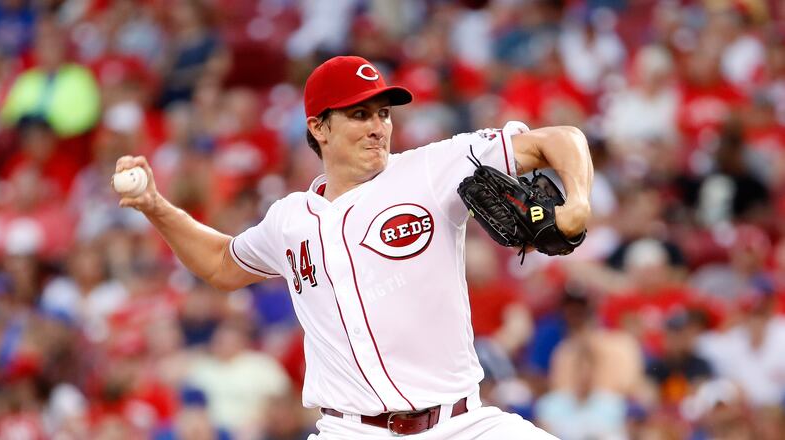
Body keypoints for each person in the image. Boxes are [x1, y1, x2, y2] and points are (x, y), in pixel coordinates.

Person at [114, 55, 593, 439]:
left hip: (461, 424)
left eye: (383, 113)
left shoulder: (430, 169)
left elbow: (561, 139)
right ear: (319, 128)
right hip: (349, 430)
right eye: (359, 114)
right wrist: (156, 206)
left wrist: (576, 204)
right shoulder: (289, 219)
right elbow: (221, 264)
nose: (378, 127)